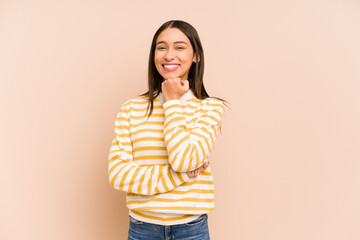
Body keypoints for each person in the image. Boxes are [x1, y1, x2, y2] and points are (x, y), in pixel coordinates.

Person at [108, 20, 226, 240]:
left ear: (196, 56)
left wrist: (172, 101)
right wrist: (180, 177)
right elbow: (118, 175)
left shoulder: (209, 107)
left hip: (191, 230)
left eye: (180, 47)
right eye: (161, 47)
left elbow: (183, 161)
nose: (169, 55)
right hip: (142, 229)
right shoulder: (132, 109)